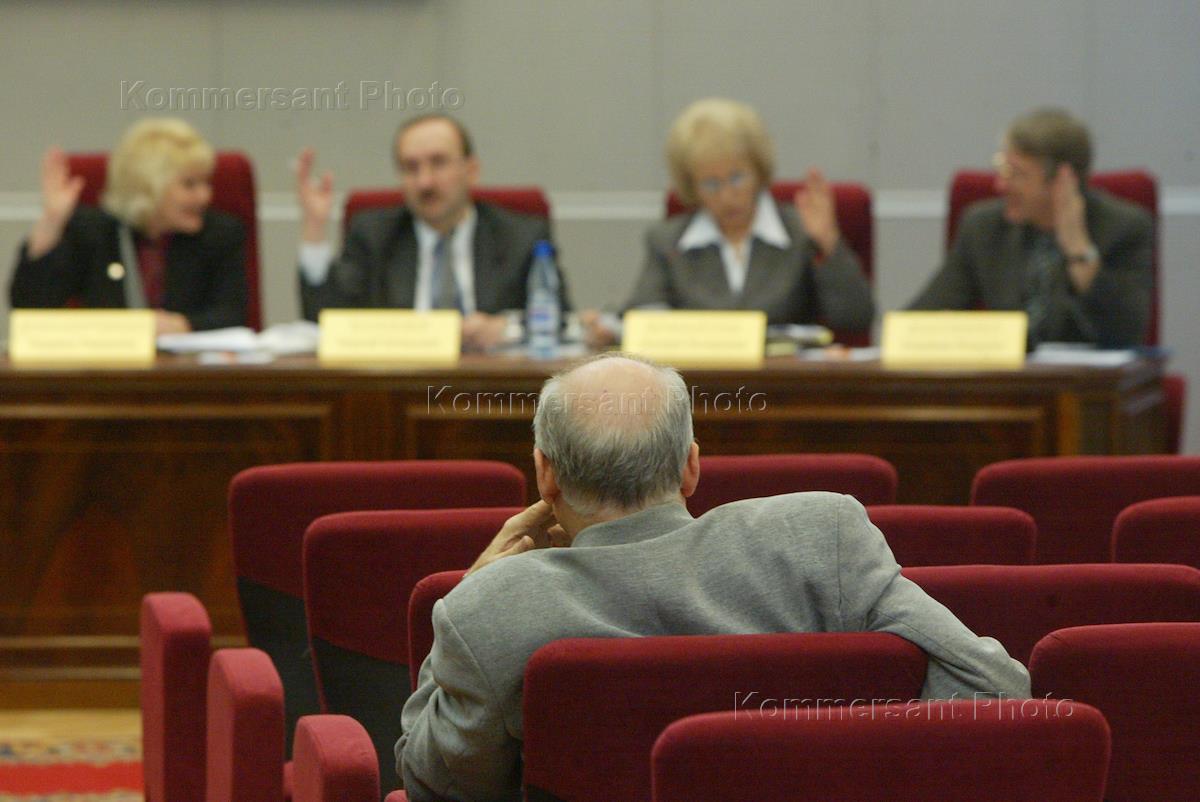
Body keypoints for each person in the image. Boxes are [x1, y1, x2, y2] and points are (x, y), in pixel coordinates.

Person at [397, 353, 1031, 802]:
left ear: (545, 476)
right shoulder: (821, 539)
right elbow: (996, 689)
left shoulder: (493, 606)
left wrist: (468, 591)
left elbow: (435, 786)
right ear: (691, 467)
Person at [583, 98, 874, 346]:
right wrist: (609, 329)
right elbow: (643, 316)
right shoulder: (669, 241)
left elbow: (856, 318)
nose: (726, 196)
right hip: (699, 385)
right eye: (711, 184)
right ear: (691, 187)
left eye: (737, 178)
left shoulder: (799, 232)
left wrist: (828, 244)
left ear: (758, 170)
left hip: (785, 385)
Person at [295, 113, 569, 351]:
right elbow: (326, 325)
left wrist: (509, 329)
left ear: (471, 170)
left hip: (491, 386)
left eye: (438, 163)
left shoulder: (520, 236)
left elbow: (563, 321)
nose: (424, 182)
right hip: (399, 384)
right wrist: (315, 228)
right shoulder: (374, 236)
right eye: (411, 168)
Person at [908, 107, 1153, 348]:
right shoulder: (984, 227)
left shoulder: (1124, 228)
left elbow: (1125, 334)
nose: (1000, 185)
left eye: (1016, 174)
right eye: (1002, 168)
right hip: (1006, 373)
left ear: (1061, 180)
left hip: (1085, 375)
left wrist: (1078, 249)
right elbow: (919, 321)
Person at [9, 118, 247, 333]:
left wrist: (180, 325)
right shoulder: (94, 232)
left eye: (206, 183)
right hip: (107, 365)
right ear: (148, 185)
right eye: (189, 184)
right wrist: (51, 223)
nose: (204, 196)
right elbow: (30, 308)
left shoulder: (221, 234)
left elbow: (233, 315)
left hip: (190, 366)